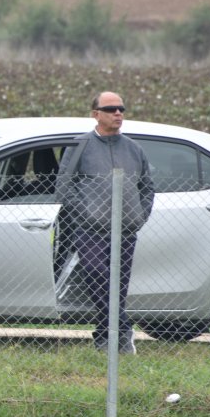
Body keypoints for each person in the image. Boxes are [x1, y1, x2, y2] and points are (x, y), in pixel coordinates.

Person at [55, 92, 154, 354]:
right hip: (90, 230)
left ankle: (105, 337)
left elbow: (147, 187)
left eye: (121, 108)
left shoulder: (134, 149)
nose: (118, 113)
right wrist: (86, 214)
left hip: (126, 230)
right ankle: (123, 329)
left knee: (118, 286)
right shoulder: (80, 146)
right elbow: (64, 186)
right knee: (99, 276)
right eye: (111, 109)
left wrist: (139, 216)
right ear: (95, 114)